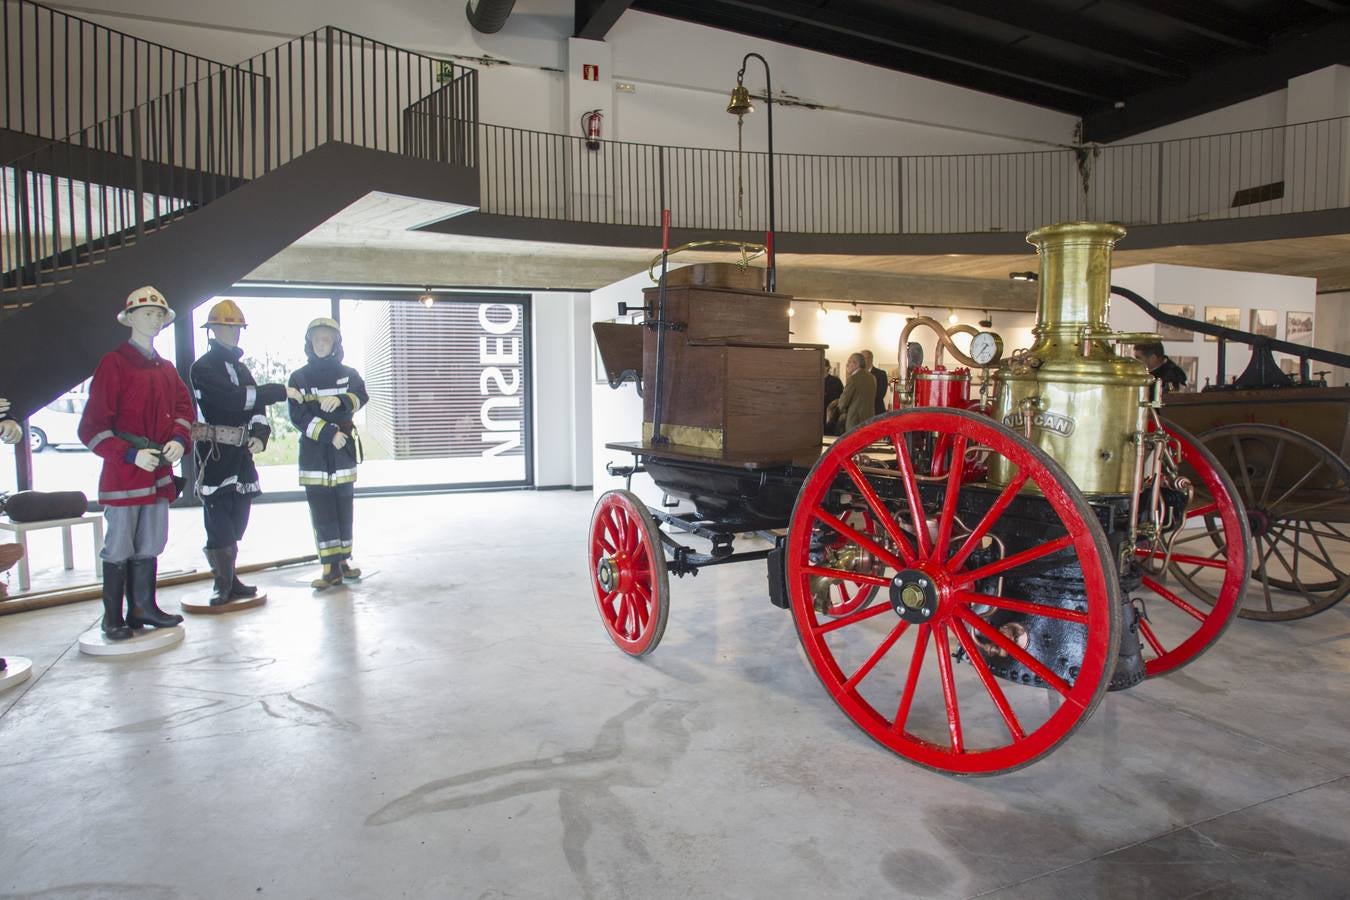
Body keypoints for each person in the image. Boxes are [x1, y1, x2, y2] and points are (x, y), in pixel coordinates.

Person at [77, 285, 192, 640]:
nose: (154, 319)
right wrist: (128, 454)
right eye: (147, 313)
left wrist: (177, 439)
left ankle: (142, 607)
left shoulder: (167, 368)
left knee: (151, 541)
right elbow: (92, 427)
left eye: (159, 314)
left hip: (158, 469)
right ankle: (113, 617)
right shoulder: (114, 364)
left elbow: (185, 409)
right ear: (130, 318)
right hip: (124, 473)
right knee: (120, 545)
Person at [190, 300, 290, 606]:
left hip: (242, 454)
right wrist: (277, 390)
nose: (232, 333)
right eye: (226, 327)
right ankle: (223, 584)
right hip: (215, 453)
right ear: (212, 331)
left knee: (238, 517)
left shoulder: (242, 368)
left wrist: (261, 436)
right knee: (218, 517)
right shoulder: (203, 368)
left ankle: (231, 578)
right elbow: (233, 400)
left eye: (236, 328)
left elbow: (256, 409)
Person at [288, 317, 369, 590]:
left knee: (345, 507)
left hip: (342, 453)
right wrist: (329, 434)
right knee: (321, 509)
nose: (321, 344)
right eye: (317, 340)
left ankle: (344, 560)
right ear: (309, 343)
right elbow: (298, 416)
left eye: (327, 339)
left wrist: (345, 400)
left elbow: (361, 395)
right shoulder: (299, 378)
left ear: (335, 343)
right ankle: (328, 567)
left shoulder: (350, 373)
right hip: (315, 453)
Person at [827, 353, 875, 433]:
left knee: (854, 443)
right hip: (869, 418)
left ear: (856, 364)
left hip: (854, 420)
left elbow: (843, 403)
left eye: (849, 362)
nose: (847, 365)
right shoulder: (872, 378)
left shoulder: (853, 379)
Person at [862, 349, 888, 415]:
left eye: (863, 358)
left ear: (871, 359)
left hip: (876, 411)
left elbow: (880, 394)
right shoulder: (858, 375)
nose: (861, 361)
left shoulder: (881, 374)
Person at [822, 358, 843, 435]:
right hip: (817, 415)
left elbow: (842, 397)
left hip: (832, 415)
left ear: (827, 367)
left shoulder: (836, 381)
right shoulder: (815, 380)